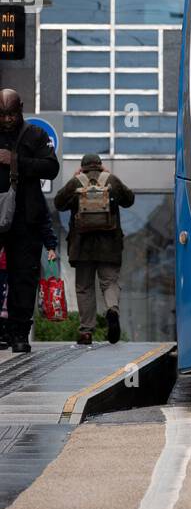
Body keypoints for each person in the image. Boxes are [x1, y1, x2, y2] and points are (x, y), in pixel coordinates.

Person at [0, 88, 61, 354]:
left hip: (27, 217)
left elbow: (51, 167)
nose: (8, 119)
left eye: (12, 113)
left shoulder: (36, 135)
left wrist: (15, 160)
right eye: (2, 115)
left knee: (23, 276)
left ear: (21, 108)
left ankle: (19, 332)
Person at [54, 153, 135, 346]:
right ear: (100, 165)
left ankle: (86, 332)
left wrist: (76, 182)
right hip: (110, 245)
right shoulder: (111, 180)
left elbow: (58, 203)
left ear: (82, 167)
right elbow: (129, 199)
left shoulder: (76, 182)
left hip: (82, 247)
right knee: (109, 282)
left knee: (84, 288)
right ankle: (112, 310)